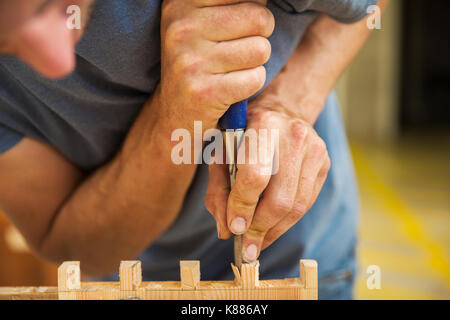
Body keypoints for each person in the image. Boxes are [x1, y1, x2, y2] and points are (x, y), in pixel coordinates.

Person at [0, 0, 386, 299]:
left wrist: (287, 101)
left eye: (44, 7)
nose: (55, 61)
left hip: (299, 264)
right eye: (5, 43)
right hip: (134, 281)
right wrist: (177, 114)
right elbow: (66, 239)